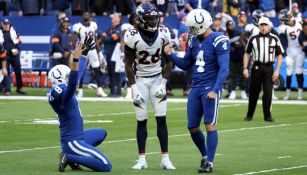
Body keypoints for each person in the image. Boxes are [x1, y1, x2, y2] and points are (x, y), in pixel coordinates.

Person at [164, 9, 230, 173]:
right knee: (192, 126)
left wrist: (216, 89)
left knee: (210, 125)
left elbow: (224, 69)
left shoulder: (219, 40)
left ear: (202, 24)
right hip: (196, 87)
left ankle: (210, 162)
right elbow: (186, 64)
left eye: (193, 27)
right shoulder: (193, 40)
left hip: (210, 87)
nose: (191, 30)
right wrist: (171, 55)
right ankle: (204, 155)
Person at [47, 36, 112, 172]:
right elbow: (71, 85)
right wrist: (75, 60)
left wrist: (83, 55)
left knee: (101, 133)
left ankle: (75, 156)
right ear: (60, 78)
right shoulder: (59, 93)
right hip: (72, 141)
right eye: (67, 76)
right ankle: (70, 157)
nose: (70, 77)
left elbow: (77, 75)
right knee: (106, 165)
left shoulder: (62, 89)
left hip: (77, 136)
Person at [124, 2, 175, 170]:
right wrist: (133, 88)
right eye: (150, 19)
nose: (154, 22)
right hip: (140, 80)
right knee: (141, 120)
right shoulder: (132, 35)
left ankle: (165, 159)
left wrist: (163, 83)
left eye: (155, 18)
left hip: (157, 79)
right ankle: (141, 159)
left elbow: (169, 63)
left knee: (162, 118)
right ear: (140, 19)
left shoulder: (164, 33)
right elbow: (128, 65)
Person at [243, 17, 283, 122]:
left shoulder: (274, 38)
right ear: (259, 26)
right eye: (262, 25)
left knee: (268, 92)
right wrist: (245, 68)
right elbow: (247, 53)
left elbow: (279, 55)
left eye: (265, 25)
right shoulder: (253, 38)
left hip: (269, 67)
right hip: (256, 67)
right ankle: (249, 114)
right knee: (254, 92)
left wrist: (277, 70)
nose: (264, 27)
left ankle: (267, 116)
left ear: (269, 26)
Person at [72, 12, 107, 97]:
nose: (86, 15)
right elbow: (74, 40)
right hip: (83, 49)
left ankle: (100, 89)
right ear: (82, 17)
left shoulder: (93, 25)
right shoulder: (78, 26)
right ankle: (80, 90)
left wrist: (99, 52)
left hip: (93, 49)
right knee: (82, 69)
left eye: (88, 14)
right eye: (85, 14)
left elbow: (95, 38)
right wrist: (77, 50)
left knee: (97, 69)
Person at [278, 9, 304, 100]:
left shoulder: (299, 22)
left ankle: (300, 94)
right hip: (290, 50)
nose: (290, 17)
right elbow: (282, 43)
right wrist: (285, 55)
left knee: (299, 72)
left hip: (300, 49)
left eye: (290, 15)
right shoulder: (283, 28)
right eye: (288, 16)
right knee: (289, 73)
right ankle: (288, 94)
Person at [0, 19, 26, 95]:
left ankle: (19, 88)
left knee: (18, 71)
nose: (6, 26)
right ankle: (7, 90)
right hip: (5, 55)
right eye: (5, 24)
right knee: (6, 72)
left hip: (14, 54)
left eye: (7, 24)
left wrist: (17, 49)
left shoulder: (14, 31)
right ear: (2, 25)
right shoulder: (0, 33)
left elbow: (18, 41)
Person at [101, 12, 122, 97]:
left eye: (114, 17)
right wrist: (107, 37)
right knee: (110, 72)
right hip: (109, 53)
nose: (112, 18)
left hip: (116, 53)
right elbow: (103, 37)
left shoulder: (120, 28)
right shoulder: (110, 27)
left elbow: (112, 38)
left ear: (119, 19)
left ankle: (118, 92)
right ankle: (112, 91)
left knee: (116, 72)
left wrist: (107, 37)